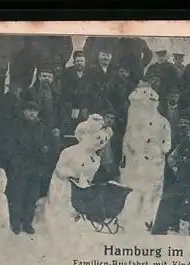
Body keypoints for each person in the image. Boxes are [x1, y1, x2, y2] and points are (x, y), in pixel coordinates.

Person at [44, 117, 113, 239]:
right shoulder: (69, 152)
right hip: (63, 187)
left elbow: (89, 178)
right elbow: (60, 170)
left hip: (80, 190)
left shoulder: (95, 159)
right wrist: (73, 175)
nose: (101, 143)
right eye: (98, 138)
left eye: (104, 141)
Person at [120, 81, 171, 233]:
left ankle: (150, 220)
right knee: (136, 189)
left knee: (153, 191)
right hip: (138, 160)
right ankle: (132, 220)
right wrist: (136, 150)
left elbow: (167, 140)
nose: (151, 104)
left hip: (156, 161)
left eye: (154, 101)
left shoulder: (163, 121)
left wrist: (162, 150)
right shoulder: (136, 120)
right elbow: (130, 138)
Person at [5, 101, 57, 235]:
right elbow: (10, 146)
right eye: (29, 110)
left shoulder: (43, 128)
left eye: (34, 111)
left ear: (38, 112)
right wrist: (15, 161)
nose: (32, 113)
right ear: (24, 112)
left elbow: (49, 145)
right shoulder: (16, 126)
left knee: (31, 196)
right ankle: (15, 222)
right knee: (17, 195)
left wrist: (45, 149)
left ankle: (27, 222)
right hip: (20, 166)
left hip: (36, 166)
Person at [60, 50, 91, 140]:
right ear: (74, 63)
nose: (79, 63)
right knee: (71, 123)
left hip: (84, 104)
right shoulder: (67, 72)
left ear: (85, 62)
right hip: (71, 103)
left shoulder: (89, 74)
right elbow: (65, 88)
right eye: (77, 61)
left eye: (81, 61)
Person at [86, 46, 116, 116]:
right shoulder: (91, 71)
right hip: (93, 107)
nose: (105, 58)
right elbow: (85, 90)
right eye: (103, 55)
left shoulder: (114, 73)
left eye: (108, 56)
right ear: (98, 56)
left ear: (111, 57)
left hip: (110, 108)